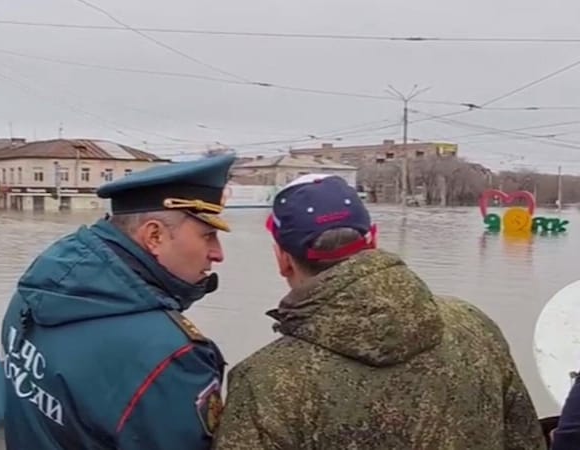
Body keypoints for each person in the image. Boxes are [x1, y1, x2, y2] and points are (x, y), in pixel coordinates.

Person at [212, 174, 546, 450]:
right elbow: (527, 440)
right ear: (372, 239)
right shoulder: (475, 326)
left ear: (282, 258)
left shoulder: (264, 380)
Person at [1, 154, 235, 449]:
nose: (218, 253)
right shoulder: (170, 356)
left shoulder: (38, 285)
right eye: (208, 235)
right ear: (154, 236)